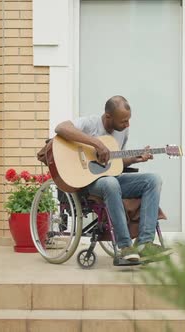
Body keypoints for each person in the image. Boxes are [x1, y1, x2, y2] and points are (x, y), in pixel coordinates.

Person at [54, 95, 171, 262]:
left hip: (112, 179)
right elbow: (60, 128)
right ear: (108, 116)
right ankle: (125, 246)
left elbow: (115, 164)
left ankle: (145, 243)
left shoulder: (123, 132)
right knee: (110, 182)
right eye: (123, 121)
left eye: (128, 120)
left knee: (153, 180)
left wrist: (135, 158)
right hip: (89, 183)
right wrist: (96, 144)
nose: (127, 125)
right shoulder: (90, 123)